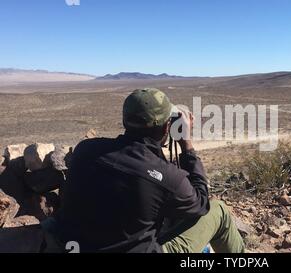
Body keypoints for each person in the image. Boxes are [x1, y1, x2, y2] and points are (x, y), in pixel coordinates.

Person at [53, 88, 245, 253]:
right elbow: (201, 204)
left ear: (126, 120)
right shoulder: (165, 177)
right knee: (218, 211)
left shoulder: (86, 149)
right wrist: (187, 145)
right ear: (166, 128)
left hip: (75, 246)